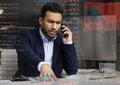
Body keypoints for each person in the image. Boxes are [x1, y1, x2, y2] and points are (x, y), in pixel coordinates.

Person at [15, 2, 79, 80]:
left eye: (58, 23)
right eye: (50, 22)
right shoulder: (25, 36)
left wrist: (68, 43)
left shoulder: (61, 40)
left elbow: (72, 71)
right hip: (26, 82)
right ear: (41, 21)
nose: (54, 27)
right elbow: (26, 54)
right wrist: (42, 65)